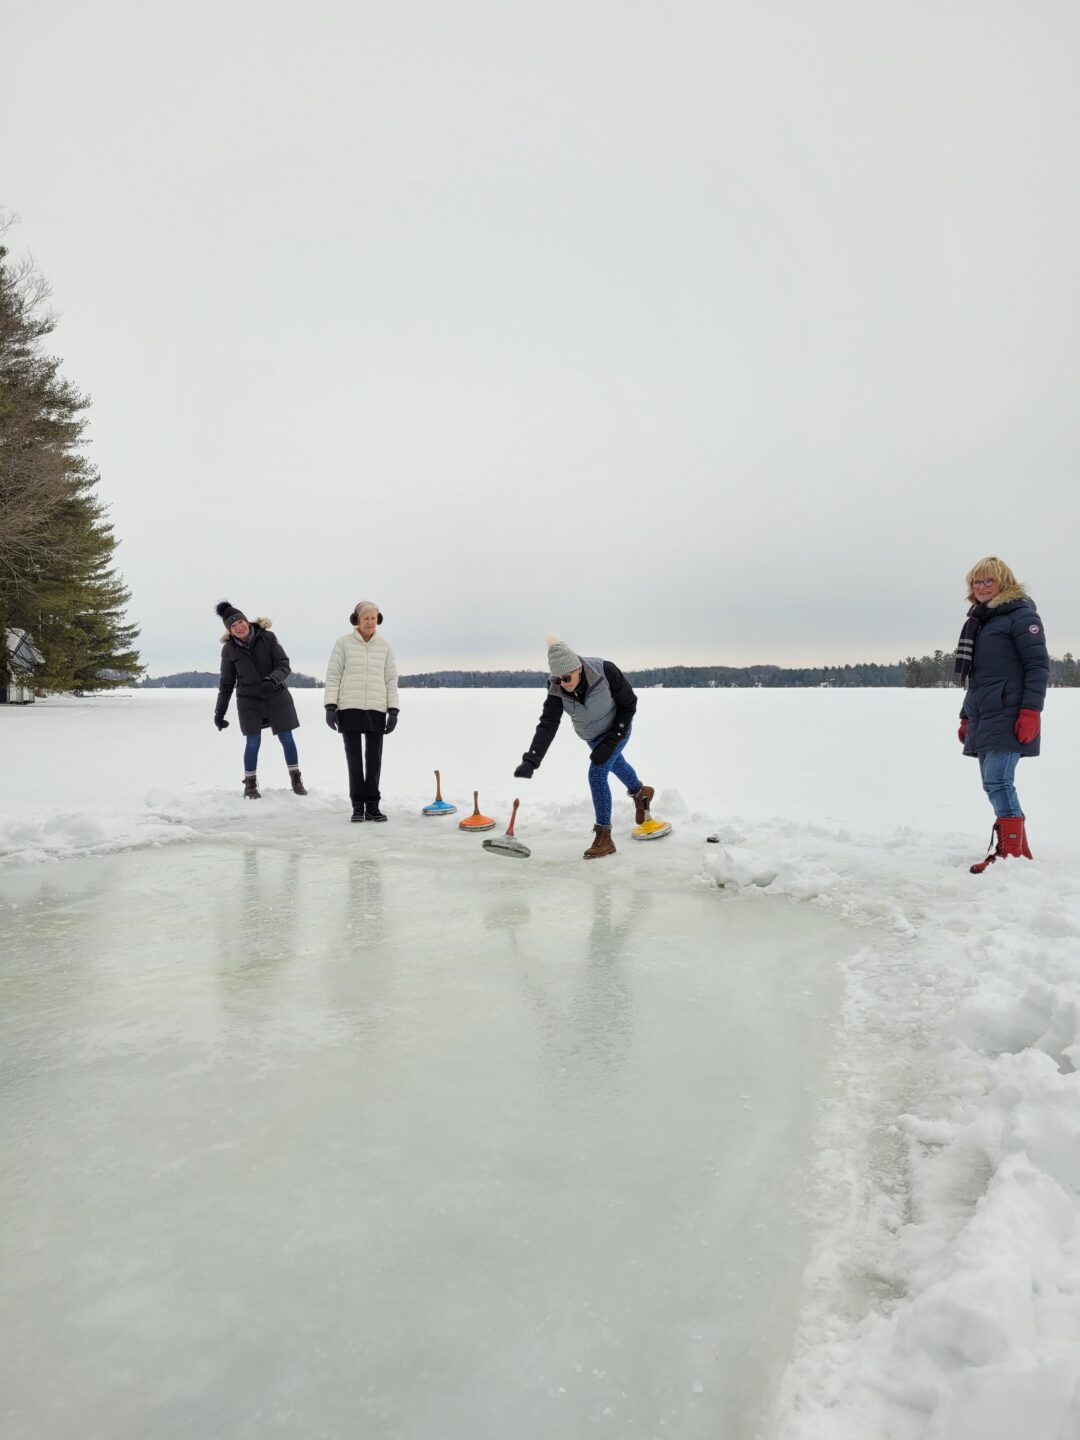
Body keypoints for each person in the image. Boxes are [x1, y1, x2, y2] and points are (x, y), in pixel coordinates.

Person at [514, 636, 655, 859]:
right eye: (557, 679)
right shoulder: (556, 686)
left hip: (618, 729)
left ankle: (604, 836)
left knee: (597, 773)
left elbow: (629, 705)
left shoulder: (604, 671)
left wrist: (611, 742)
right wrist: (532, 759)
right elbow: (548, 723)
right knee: (616, 764)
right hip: (592, 737)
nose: (563, 683)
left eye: (567, 678)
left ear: (578, 668)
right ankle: (641, 793)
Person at [955, 557, 1048, 873]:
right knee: (991, 782)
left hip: (1010, 712)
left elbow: (1037, 666)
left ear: (1003, 582)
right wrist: (966, 716)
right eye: (975, 583)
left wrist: (1031, 711)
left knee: (998, 779)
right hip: (985, 713)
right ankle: (1016, 849)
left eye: (987, 581)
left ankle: (1013, 855)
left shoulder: (1021, 617)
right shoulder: (981, 622)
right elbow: (978, 678)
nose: (980, 587)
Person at [213, 601, 306, 799]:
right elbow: (226, 683)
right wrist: (219, 712)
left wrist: (273, 679)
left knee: (287, 739)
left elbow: (284, 664)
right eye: (233, 626)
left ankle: (296, 779)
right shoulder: (229, 650)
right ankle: (250, 785)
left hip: (276, 696)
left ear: (246, 621)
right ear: (230, 630)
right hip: (249, 701)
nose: (239, 627)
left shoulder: (268, 637)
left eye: (240, 622)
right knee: (253, 742)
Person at [324, 600, 399, 822]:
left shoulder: (384, 646)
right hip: (349, 707)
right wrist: (331, 706)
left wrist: (393, 709)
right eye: (366, 618)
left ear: (378, 620)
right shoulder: (344, 643)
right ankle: (358, 805)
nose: (370, 622)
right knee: (354, 759)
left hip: (376, 708)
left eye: (374, 618)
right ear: (357, 619)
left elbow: (390, 679)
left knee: (374, 759)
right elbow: (333, 675)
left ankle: (373, 806)